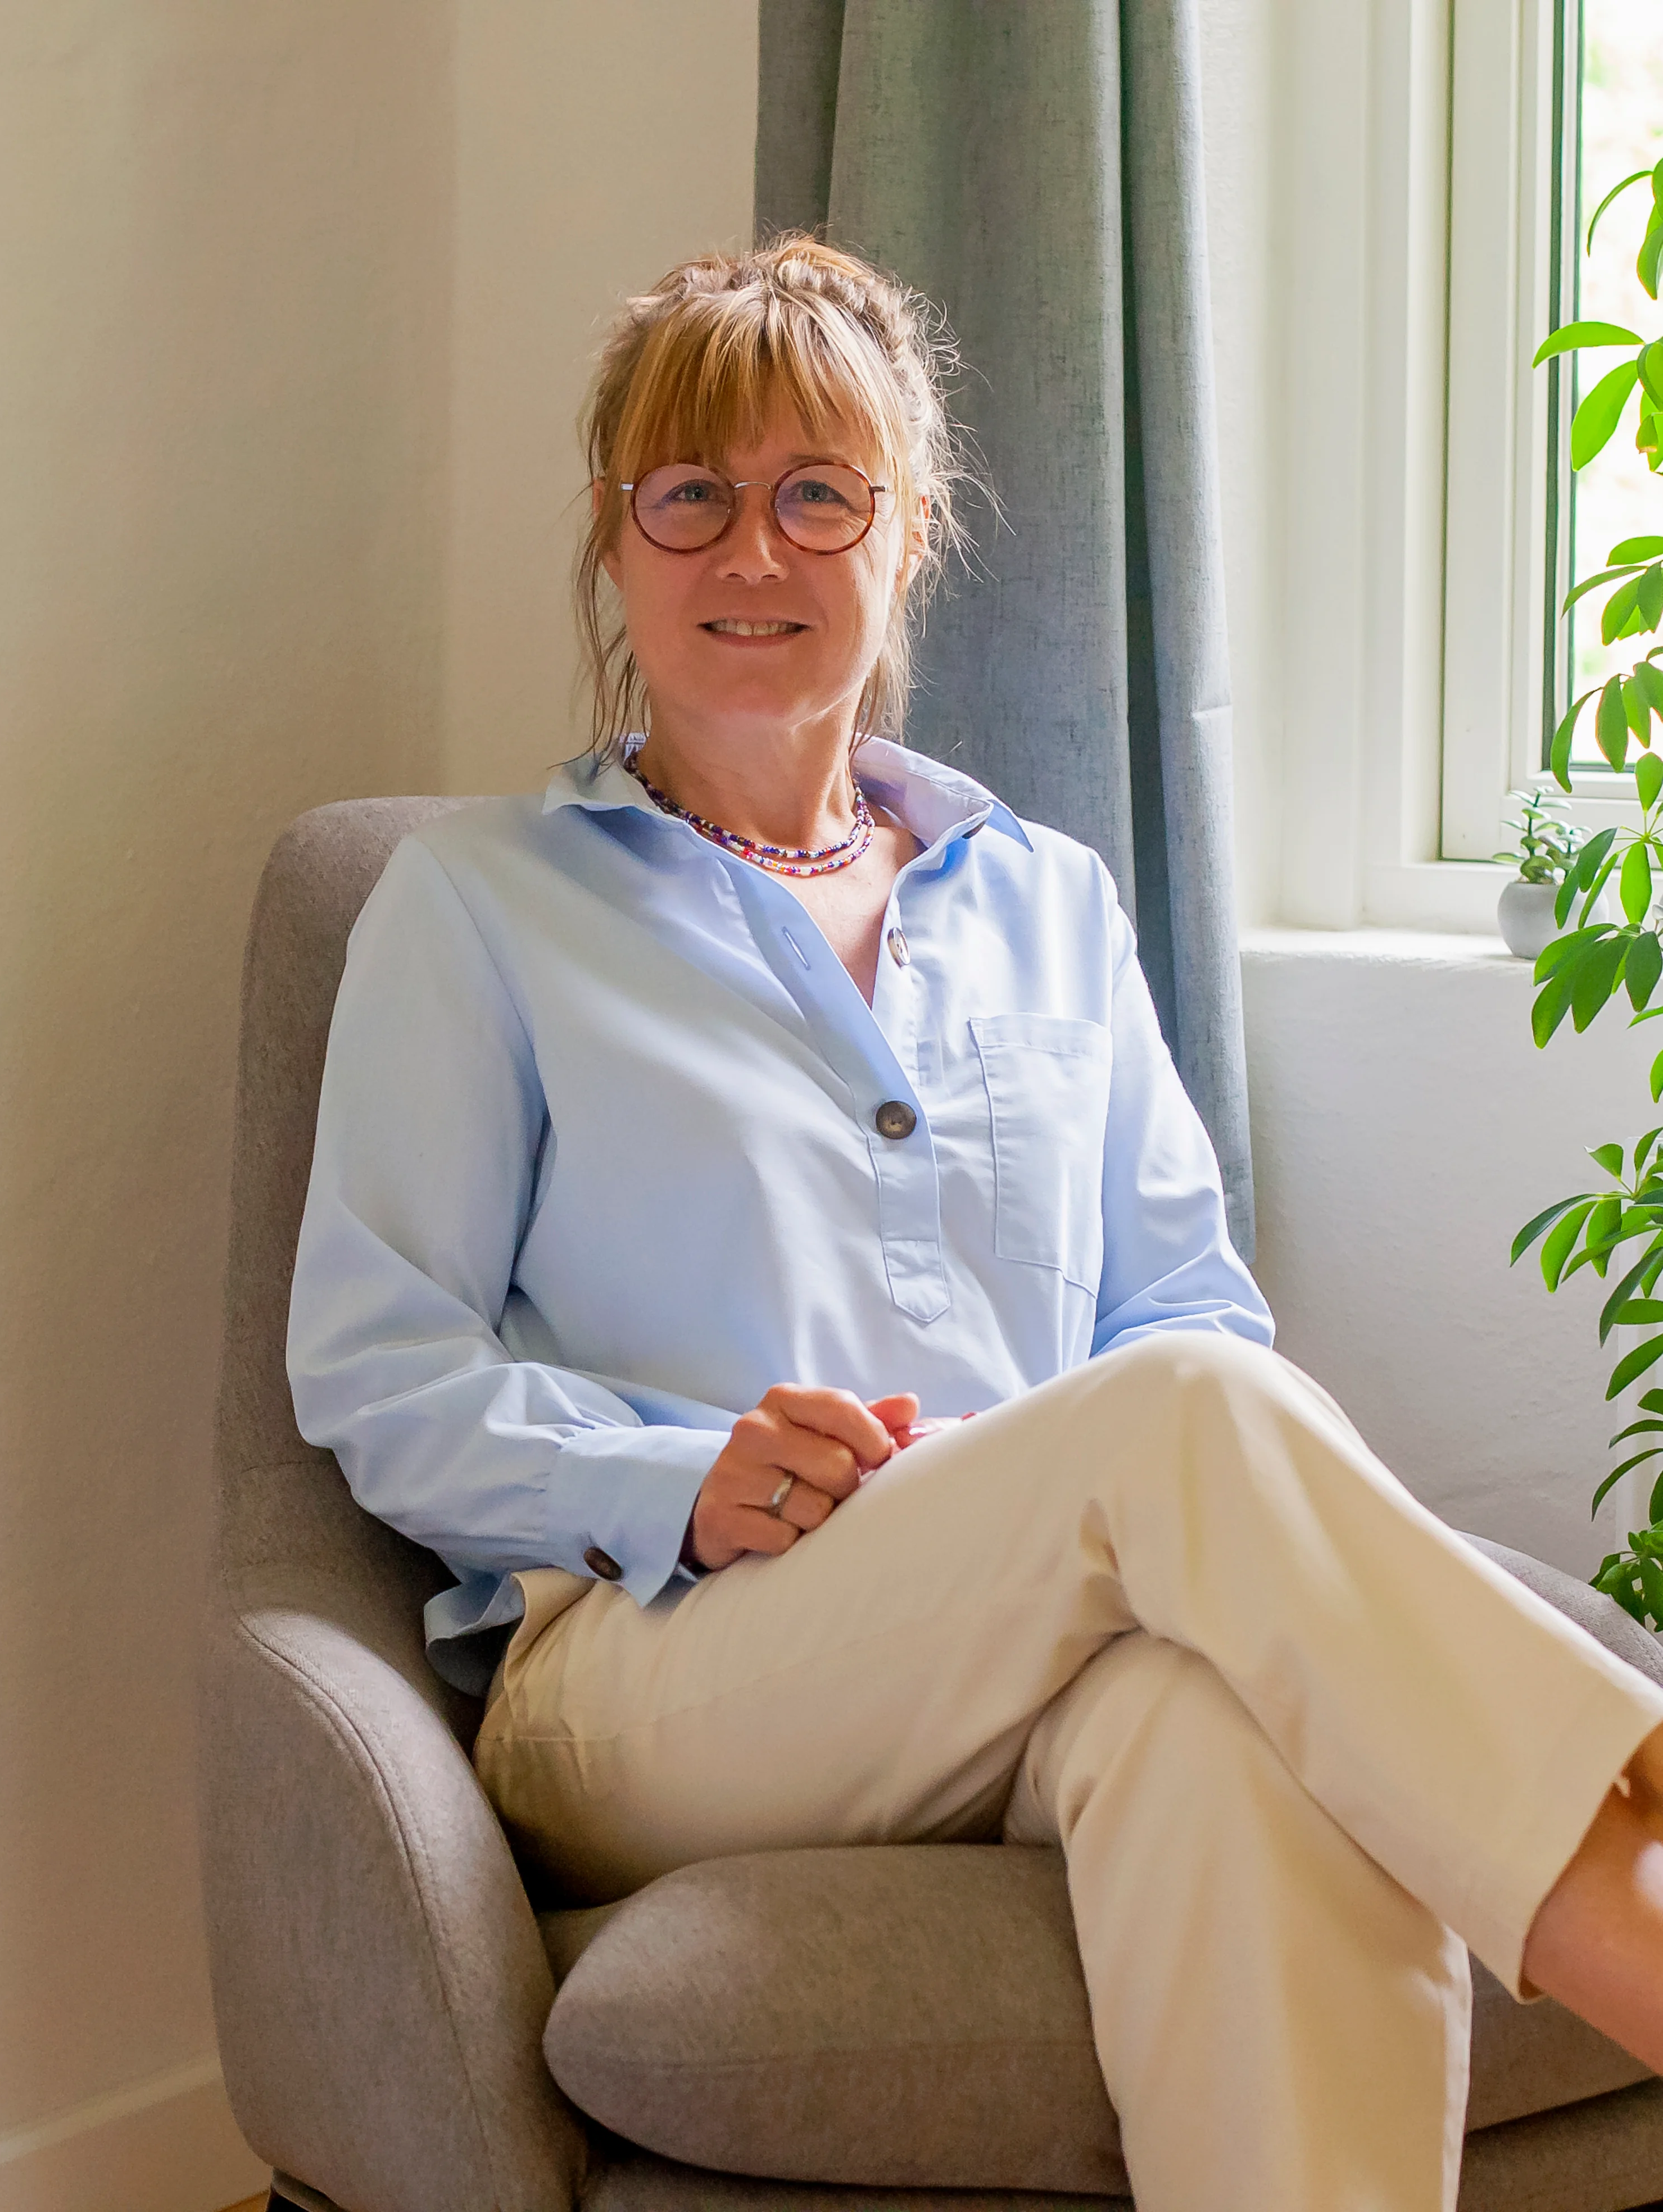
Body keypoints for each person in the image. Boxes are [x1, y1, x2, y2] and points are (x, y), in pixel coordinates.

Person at [285, 236, 1663, 2211]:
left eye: (816, 494)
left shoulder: (1049, 901)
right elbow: (380, 1371)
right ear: (614, 536)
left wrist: (1061, 1483)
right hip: (652, 1668)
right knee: (1181, 1427)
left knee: (1216, 1728)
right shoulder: (481, 905)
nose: (752, 550)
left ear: (910, 528)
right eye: (691, 496)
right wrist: (682, 1479)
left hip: (1047, 1630)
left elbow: (1184, 1307)